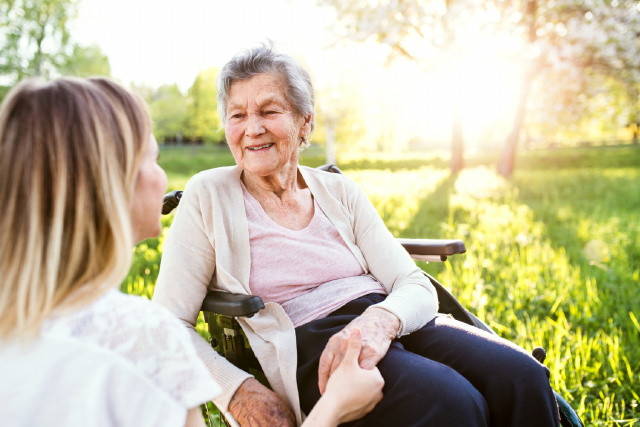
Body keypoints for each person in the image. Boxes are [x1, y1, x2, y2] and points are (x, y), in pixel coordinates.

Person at [153, 44, 561, 426]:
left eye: (268, 111)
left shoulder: (340, 191)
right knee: (451, 401)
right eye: (237, 115)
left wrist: (380, 322)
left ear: (304, 122)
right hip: (311, 342)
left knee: (522, 375)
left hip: (388, 317)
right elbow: (169, 324)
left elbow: (413, 284)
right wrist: (236, 391)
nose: (252, 128)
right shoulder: (208, 193)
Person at [0, 76, 382, 427]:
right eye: (153, 158)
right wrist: (334, 408)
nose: (164, 178)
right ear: (112, 185)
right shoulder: (143, 337)